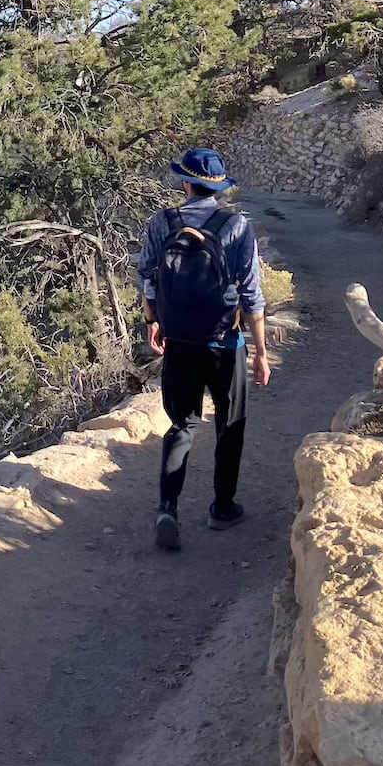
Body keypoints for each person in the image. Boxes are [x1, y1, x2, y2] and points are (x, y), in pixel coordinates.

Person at [138, 146, 271, 552]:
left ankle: (167, 508)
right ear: (219, 188)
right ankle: (222, 507)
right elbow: (251, 294)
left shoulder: (162, 223)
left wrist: (153, 322)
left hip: (180, 340)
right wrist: (261, 351)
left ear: (185, 183)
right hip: (224, 342)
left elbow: (147, 278)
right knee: (230, 426)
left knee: (182, 425)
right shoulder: (236, 226)